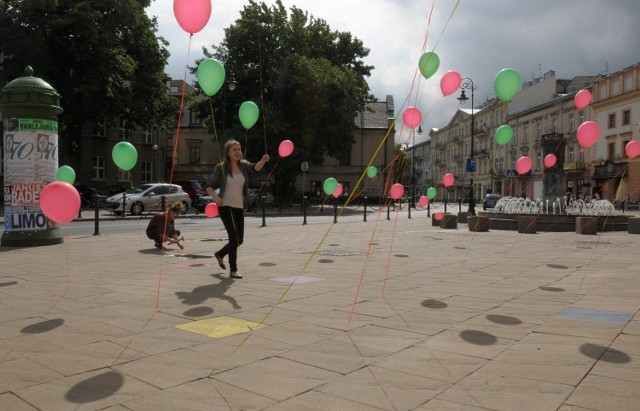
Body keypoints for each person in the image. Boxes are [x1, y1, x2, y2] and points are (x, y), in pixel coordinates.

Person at [206, 140, 270, 279]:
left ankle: (220, 254)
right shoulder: (221, 168)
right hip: (225, 206)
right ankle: (233, 270)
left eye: (239, 149)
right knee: (234, 238)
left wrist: (263, 160)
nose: (238, 152)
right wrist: (216, 198)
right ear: (228, 152)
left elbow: (255, 168)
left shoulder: (244, 166)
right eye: (234, 149)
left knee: (239, 239)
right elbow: (209, 186)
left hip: (239, 207)